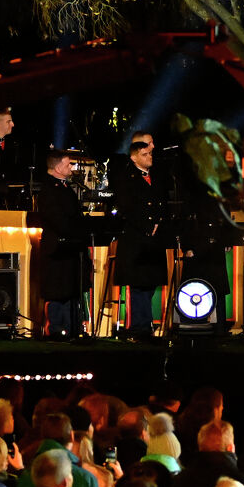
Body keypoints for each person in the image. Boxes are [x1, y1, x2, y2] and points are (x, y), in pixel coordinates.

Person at [110, 138, 168, 339]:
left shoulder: (156, 177)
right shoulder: (127, 178)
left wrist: (159, 223)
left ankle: (146, 324)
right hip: (137, 238)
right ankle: (139, 327)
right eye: (144, 154)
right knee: (138, 284)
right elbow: (127, 207)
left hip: (154, 239)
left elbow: (162, 203)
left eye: (150, 154)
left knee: (150, 283)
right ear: (134, 157)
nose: (149, 157)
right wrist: (146, 226)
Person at [33, 149, 89, 337]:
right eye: (68, 164)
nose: (71, 167)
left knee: (70, 288)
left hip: (69, 247)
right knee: (57, 290)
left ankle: (72, 328)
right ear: (57, 167)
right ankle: (56, 330)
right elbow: (56, 218)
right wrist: (74, 228)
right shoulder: (49, 189)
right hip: (57, 248)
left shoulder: (66, 187)